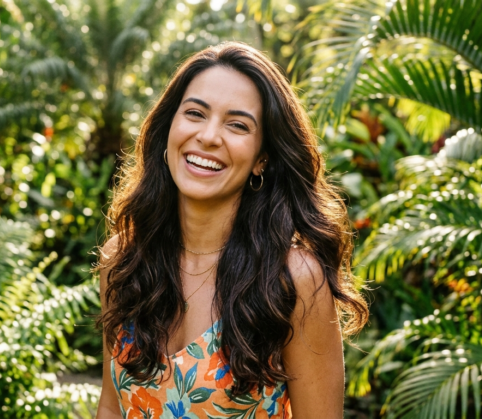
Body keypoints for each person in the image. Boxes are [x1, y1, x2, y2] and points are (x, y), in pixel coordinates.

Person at [94, 41, 369, 419]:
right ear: (169, 128)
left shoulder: (293, 280)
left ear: (262, 159)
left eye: (237, 124)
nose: (209, 136)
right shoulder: (124, 260)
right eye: (195, 113)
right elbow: (111, 408)